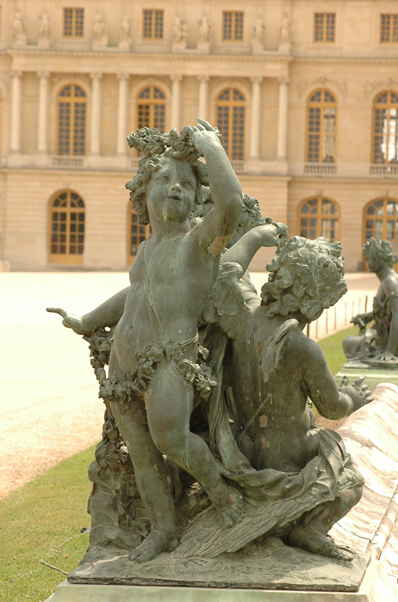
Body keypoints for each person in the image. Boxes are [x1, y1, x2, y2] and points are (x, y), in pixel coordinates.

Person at [47, 120, 284, 563]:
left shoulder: (199, 245)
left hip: (172, 360)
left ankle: (219, 491)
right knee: (140, 450)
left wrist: (211, 148)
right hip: (123, 362)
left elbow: (230, 205)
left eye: (187, 184)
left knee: (170, 437)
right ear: (144, 192)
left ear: (198, 198)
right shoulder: (146, 250)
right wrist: (87, 321)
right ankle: (164, 528)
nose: (175, 189)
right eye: (164, 180)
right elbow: (132, 295)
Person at [208, 235, 372, 560]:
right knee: (351, 480)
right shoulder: (302, 348)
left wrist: (254, 235)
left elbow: (227, 269)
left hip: (245, 453)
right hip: (290, 461)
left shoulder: (240, 318)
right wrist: (354, 396)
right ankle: (309, 529)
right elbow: (331, 406)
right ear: (313, 298)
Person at [343, 237, 398, 361]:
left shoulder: (391, 282)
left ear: (384, 258)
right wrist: (369, 316)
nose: (369, 262)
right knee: (348, 342)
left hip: (387, 343)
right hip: (382, 337)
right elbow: (387, 312)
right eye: (368, 258)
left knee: (348, 343)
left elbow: (397, 316)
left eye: (374, 258)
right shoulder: (386, 280)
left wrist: (390, 351)